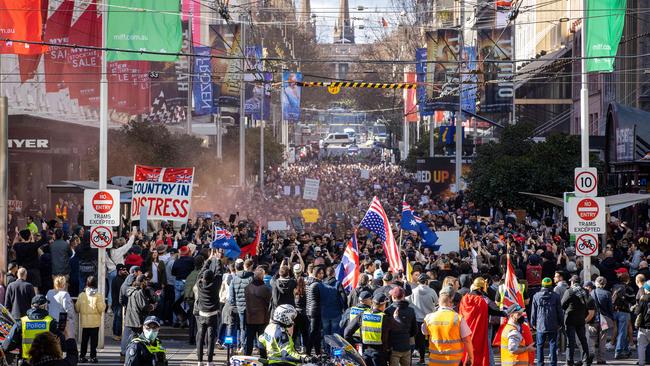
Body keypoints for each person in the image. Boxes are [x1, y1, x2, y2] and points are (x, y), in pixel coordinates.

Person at [1, 295, 64, 361]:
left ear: (32, 306)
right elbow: (61, 343)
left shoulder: (21, 322)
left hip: (27, 362)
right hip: (46, 362)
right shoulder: (51, 322)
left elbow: (7, 345)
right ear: (45, 306)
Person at [422, 286, 473, 366]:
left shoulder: (429, 318)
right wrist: (471, 357)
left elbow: (424, 332)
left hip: (435, 361)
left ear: (439, 301)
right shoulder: (458, 318)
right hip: (454, 362)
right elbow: (467, 340)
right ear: (451, 303)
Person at [459, 277, 505, 366]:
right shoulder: (480, 300)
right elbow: (491, 311)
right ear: (480, 288)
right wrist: (503, 313)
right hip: (479, 330)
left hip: (466, 331)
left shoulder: (464, 299)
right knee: (481, 350)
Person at [344, 293, 392, 366]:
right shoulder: (385, 318)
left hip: (365, 353)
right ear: (384, 305)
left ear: (372, 303)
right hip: (380, 355)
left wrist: (353, 347)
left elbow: (347, 333)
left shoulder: (363, 315)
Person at [531, 277, 563, 366]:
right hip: (553, 323)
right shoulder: (556, 296)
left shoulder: (536, 296)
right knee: (553, 344)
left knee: (539, 344)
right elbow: (559, 311)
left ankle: (540, 363)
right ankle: (553, 363)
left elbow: (534, 311)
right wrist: (561, 322)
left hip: (540, 323)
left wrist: (533, 323)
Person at [561, 275, 592, 366]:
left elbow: (562, 304)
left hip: (570, 318)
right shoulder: (585, 291)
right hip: (581, 318)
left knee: (570, 341)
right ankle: (586, 361)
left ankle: (570, 361)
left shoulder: (569, 291)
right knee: (583, 339)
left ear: (572, 282)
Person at [408, 273, 437, 365]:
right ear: (426, 281)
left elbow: (409, 301)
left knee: (420, 341)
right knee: (432, 339)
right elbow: (436, 302)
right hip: (430, 319)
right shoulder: (432, 291)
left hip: (418, 319)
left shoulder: (414, 291)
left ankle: (422, 359)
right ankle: (431, 357)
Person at [75, 276, 106, 363]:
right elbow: (101, 308)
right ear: (95, 284)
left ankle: (82, 356)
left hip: (85, 322)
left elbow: (77, 309)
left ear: (87, 284)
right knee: (94, 341)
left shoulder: (81, 295)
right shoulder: (98, 295)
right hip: (95, 322)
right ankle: (93, 357)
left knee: (84, 340)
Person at [196, 265, 220, 366]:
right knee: (211, 338)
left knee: (200, 338)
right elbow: (219, 273)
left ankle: (199, 361)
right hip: (212, 314)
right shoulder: (215, 285)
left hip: (202, 314)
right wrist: (218, 260)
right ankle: (209, 361)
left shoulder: (199, 284)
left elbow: (200, 273)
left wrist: (209, 260)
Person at [244, 267, 272, 356]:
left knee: (249, 340)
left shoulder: (247, 288)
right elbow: (269, 302)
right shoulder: (265, 289)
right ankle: (263, 359)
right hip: (262, 318)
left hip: (250, 317)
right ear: (262, 276)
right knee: (262, 341)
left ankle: (247, 357)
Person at [385, 286, 416, 366]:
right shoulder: (411, 310)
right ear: (403, 296)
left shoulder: (388, 310)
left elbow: (386, 330)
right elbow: (414, 330)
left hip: (393, 347)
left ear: (393, 297)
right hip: (406, 345)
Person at [230, 259, 254, 351]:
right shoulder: (251, 278)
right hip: (249, 306)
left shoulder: (234, 279)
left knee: (241, 327)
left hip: (239, 307)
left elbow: (231, 296)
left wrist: (234, 305)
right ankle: (245, 345)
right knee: (248, 327)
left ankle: (240, 345)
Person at [590, 276, 614, 364]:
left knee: (592, 338)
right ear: (604, 284)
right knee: (603, 340)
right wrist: (611, 317)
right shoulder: (607, 293)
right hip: (604, 319)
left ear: (596, 283)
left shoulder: (591, 293)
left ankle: (590, 356)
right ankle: (601, 359)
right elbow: (610, 308)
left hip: (593, 318)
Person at [46, 275, 75, 341]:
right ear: (63, 284)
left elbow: (46, 307)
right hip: (61, 324)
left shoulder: (49, 292)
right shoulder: (65, 294)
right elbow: (69, 310)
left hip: (51, 322)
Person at [305, 265, 324, 355]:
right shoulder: (317, 284)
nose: (322, 275)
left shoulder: (309, 282)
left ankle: (317, 351)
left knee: (316, 332)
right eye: (320, 273)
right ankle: (308, 352)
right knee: (314, 332)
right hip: (315, 310)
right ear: (316, 274)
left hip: (309, 309)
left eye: (322, 273)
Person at [111, 264, 128, 341]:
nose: (124, 271)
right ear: (119, 270)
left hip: (120, 302)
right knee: (118, 319)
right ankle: (117, 334)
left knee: (118, 319)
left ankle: (116, 334)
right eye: (123, 270)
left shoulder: (124, 278)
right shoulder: (117, 279)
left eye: (125, 270)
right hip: (117, 303)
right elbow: (121, 291)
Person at [635, 280, 650, 366]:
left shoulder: (643, 299)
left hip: (643, 326)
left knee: (641, 346)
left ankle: (641, 363)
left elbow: (637, 312)